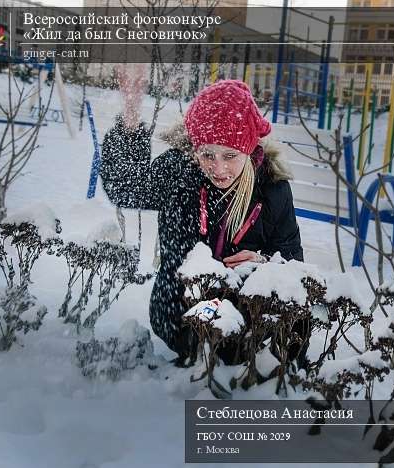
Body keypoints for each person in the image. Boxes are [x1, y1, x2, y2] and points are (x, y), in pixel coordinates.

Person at [100, 66, 307, 368]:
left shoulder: (272, 190)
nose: (218, 168)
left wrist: (264, 265)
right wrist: (130, 117)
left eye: (230, 156)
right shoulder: (180, 172)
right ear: (194, 148)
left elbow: (293, 263)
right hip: (179, 317)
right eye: (207, 155)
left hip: (243, 328)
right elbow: (125, 188)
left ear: (249, 150)